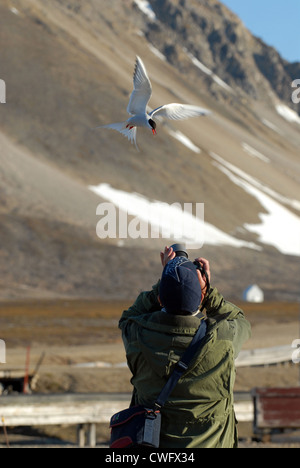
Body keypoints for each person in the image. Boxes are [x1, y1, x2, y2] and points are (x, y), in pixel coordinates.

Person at [119, 245, 251, 448]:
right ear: (200, 298)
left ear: (161, 298)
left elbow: (128, 317)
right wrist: (209, 292)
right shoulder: (223, 339)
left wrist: (166, 280)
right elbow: (239, 320)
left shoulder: (136, 335)